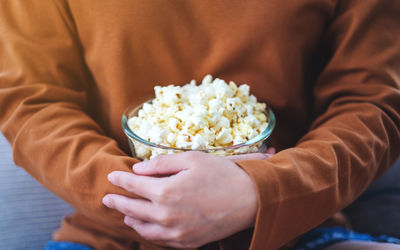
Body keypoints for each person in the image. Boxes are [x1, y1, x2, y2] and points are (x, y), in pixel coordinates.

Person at [0, 1, 399, 249]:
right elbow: (31, 98)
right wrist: (144, 198)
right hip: (112, 238)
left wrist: (262, 193)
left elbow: (373, 101)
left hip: (298, 228)